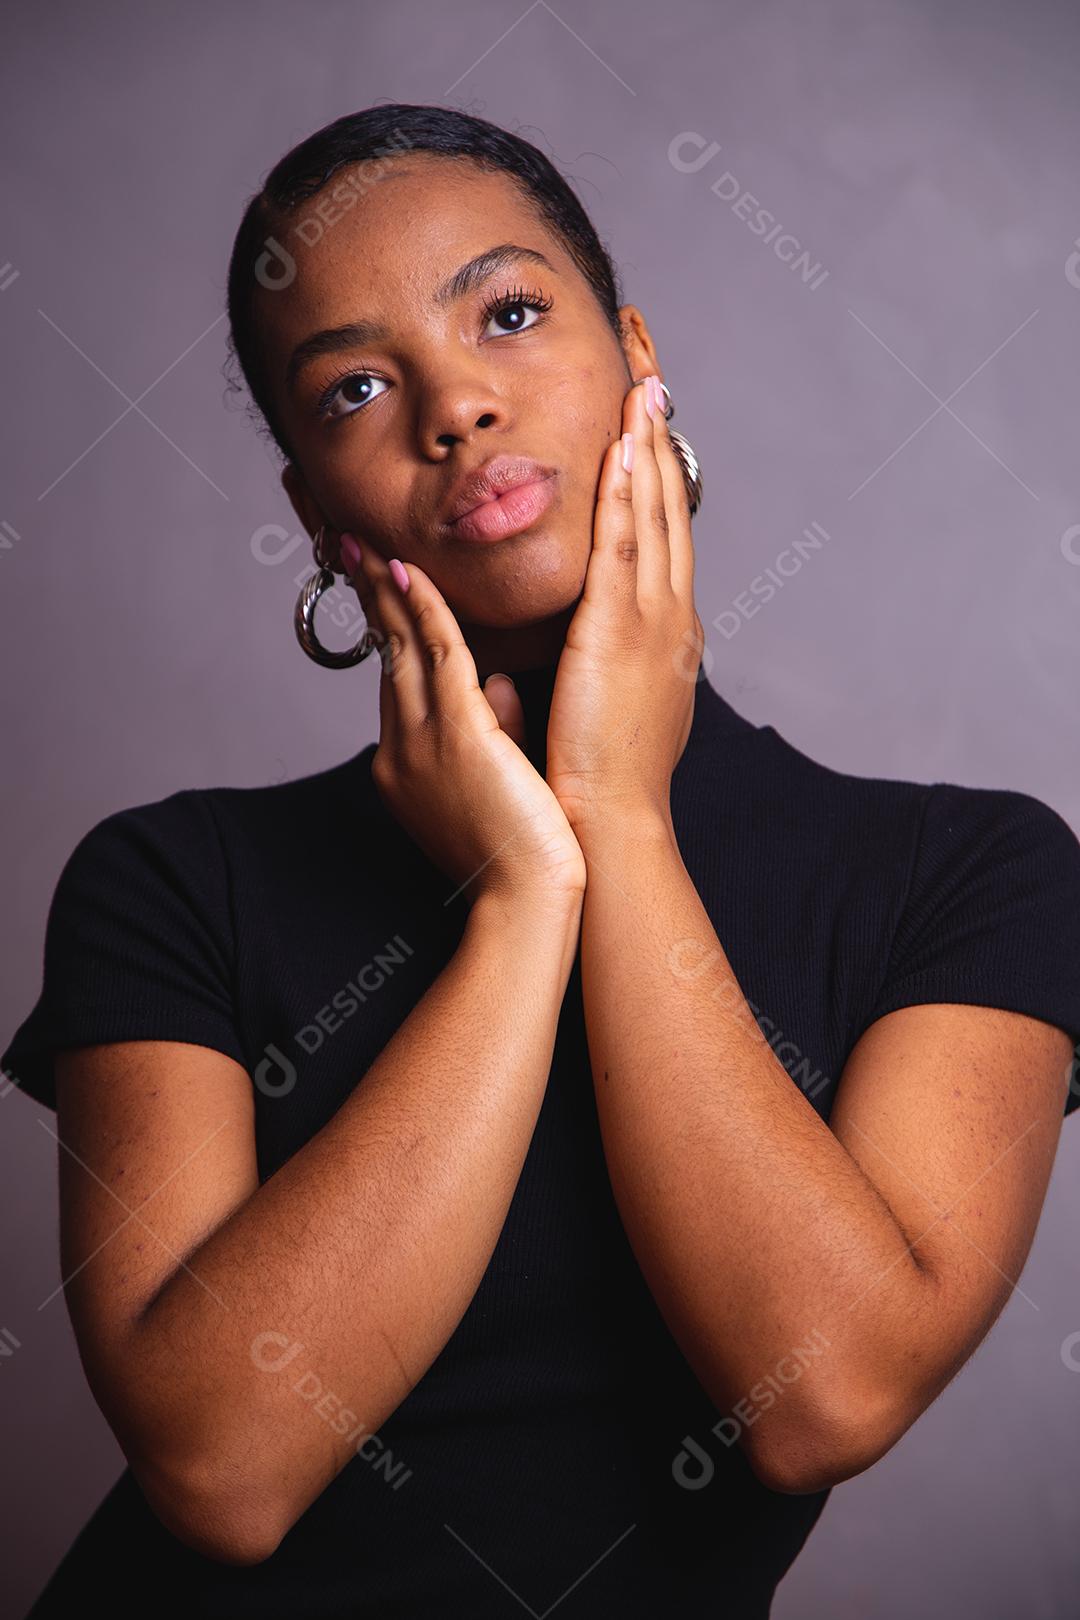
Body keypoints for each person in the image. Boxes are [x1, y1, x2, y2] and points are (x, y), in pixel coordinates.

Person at [5, 101, 1080, 1619]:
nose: (455, 408)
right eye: (356, 388)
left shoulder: (966, 876)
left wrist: (620, 823)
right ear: (314, 515)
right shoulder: (174, 882)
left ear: (639, 359)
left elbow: (823, 1394)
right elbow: (224, 1469)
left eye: (509, 313)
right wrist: (525, 901)